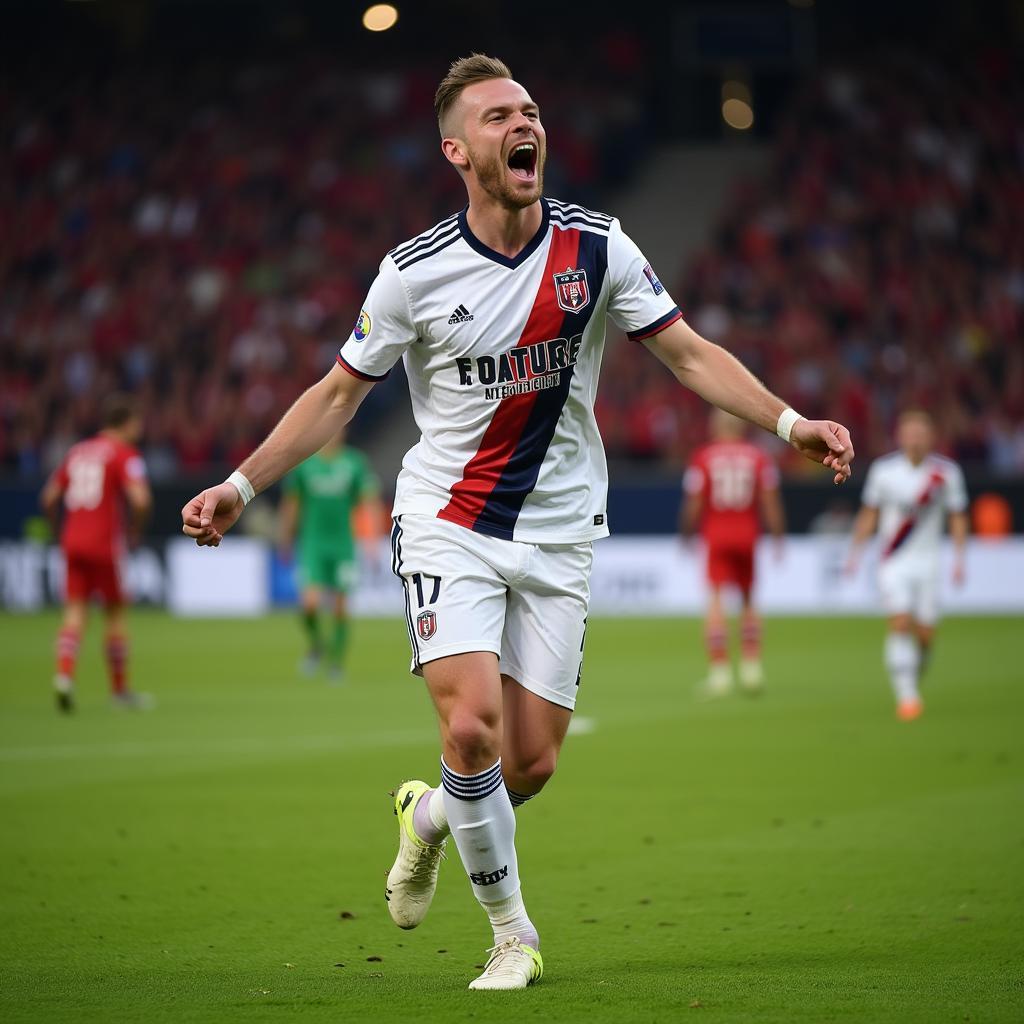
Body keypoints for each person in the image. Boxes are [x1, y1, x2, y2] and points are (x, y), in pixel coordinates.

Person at [181, 55, 854, 990]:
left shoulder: (599, 249)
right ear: (458, 150)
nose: (521, 123)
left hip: (561, 531)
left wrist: (789, 423)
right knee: (472, 732)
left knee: (526, 766)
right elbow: (338, 394)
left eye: (529, 110)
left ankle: (423, 821)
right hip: (446, 518)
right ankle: (513, 935)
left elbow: (691, 355)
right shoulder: (411, 275)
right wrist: (241, 486)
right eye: (498, 115)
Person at [846, 410, 967, 720]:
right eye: (909, 433)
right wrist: (855, 553)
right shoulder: (884, 471)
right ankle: (907, 696)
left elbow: (957, 517)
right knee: (900, 622)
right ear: (900, 436)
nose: (914, 439)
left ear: (931, 437)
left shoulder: (946, 474)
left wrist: (959, 558)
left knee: (925, 634)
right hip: (893, 560)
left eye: (920, 433)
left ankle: (913, 672)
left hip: (929, 562)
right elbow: (870, 513)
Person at [41, 394, 153, 712]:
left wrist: (57, 529)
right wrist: (135, 530)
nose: (140, 430)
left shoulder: (77, 451)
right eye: (137, 424)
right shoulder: (123, 453)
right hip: (105, 543)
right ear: (126, 423)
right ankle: (119, 691)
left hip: (72, 541)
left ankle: (64, 677)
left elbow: (48, 498)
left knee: (74, 612)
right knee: (115, 614)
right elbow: (141, 500)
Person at [681, 409, 785, 696]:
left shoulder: (703, 456)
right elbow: (769, 501)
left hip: (716, 534)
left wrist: (686, 533)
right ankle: (751, 668)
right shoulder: (759, 457)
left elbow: (695, 501)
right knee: (749, 599)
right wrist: (778, 537)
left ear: (717, 427)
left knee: (716, 600)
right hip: (747, 534)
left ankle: (720, 672)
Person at [278, 429, 382, 680]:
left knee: (340, 608)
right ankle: (317, 645)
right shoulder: (306, 465)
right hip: (313, 544)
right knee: (309, 605)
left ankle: (336, 664)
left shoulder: (354, 463)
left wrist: (372, 539)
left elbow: (370, 502)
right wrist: (286, 537)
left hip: (343, 545)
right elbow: (292, 504)